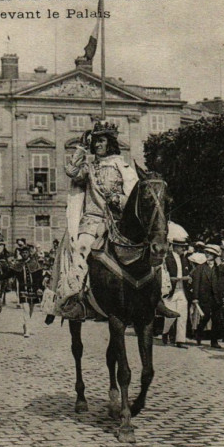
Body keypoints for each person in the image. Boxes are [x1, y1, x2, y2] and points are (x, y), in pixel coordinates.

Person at [56, 121, 138, 314]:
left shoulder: (122, 165)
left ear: (109, 143)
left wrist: (119, 199)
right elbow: (71, 172)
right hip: (93, 220)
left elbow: (133, 193)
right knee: (80, 250)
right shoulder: (90, 167)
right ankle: (75, 297)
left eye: (101, 141)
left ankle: (156, 295)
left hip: (118, 222)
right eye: (95, 142)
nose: (97, 145)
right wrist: (81, 149)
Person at [161, 237, 192, 348]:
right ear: (175, 247)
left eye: (184, 246)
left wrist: (188, 278)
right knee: (171, 315)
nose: (183, 248)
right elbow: (165, 276)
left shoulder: (185, 259)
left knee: (182, 315)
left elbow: (188, 273)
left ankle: (180, 340)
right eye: (181, 247)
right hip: (171, 291)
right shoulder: (167, 259)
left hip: (182, 291)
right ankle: (165, 332)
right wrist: (178, 279)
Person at [191, 244, 224, 348]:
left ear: (215, 255)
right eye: (207, 253)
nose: (207, 255)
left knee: (216, 319)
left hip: (216, 297)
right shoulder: (200, 268)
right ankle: (198, 333)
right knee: (205, 317)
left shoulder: (219, 268)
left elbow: (223, 279)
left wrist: (220, 266)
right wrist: (195, 297)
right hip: (204, 297)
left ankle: (214, 341)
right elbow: (196, 283)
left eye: (210, 253)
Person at [8, 245, 44, 338]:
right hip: (23, 290)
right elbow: (8, 274)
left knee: (31, 310)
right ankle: (27, 330)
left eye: (26, 252)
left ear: (29, 254)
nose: (24, 254)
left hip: (33, 290)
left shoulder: (35, 264)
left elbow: (40, 278)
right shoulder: (17, 265)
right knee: (26, 310)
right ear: (20, 254)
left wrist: (40, 288)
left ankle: (26, 324)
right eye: (23, 253)